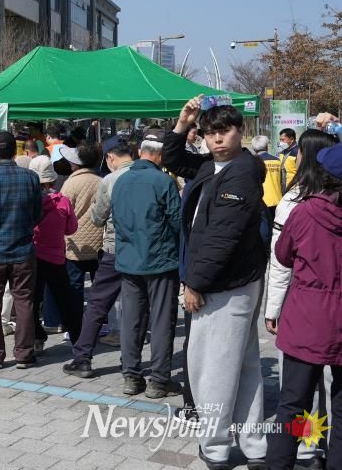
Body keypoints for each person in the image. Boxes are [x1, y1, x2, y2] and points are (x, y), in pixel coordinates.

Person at [163, 97, 268, 470]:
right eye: (210, 133)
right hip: (228, 281)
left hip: (225, 284)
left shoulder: (241, 172)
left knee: (213, 369)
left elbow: (221, 237)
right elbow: (174, 160)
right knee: (243, 365)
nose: (217, 139)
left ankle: (217, 447)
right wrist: (181, 124)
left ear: (241, 131)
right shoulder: (213, 165)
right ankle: (253, 445)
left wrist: (194, 283)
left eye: (224, 131)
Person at [264, 130, 337, 469]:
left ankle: (289, 458)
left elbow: (281, 258)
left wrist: (273, 308)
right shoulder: (301, 206)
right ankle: (320, 454)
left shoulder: (301, 209)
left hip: (305, 317)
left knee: (293, 402)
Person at [111, 129, 182, 398]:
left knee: (131, 320)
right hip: (160, 261)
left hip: (129, 260)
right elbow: (177, 222)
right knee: (162, 321)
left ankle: (131, 376)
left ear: (140, 153)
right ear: (161, 156)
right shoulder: (163, 182)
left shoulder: (120, 181)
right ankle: (159, 381)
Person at [63, 136, 135, 380]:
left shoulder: (110, 180)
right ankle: (132, 366)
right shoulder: (155, 177)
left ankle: (83, 358)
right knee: (138, 306)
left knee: (97, 303)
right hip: (146, 253)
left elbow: (98, 217)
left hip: (113, 249)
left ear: (110, 157)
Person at [0, 131, 42, 369]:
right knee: (24, 299)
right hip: (23, 249)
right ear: (15, 151)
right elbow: (37, 214)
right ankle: (24, 353)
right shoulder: (31, 178)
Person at [27, 156, 81, 354]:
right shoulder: (62, 201)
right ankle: (77, 339)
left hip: (32, 256)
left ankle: (36, 338)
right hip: (56, 257)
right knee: (65, 300)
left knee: (31, 301)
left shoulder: (28, 201)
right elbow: (71, 229)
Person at [59, 145, 103, 308]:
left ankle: (75, 319)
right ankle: (100, 319)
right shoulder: (102, 181)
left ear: (76, 164)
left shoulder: (70, 184)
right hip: (99, 243)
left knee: (75, 286)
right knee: (100, 287)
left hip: (75, 244)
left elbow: (62, 213)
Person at [250, 135, 282, 224]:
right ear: (267, 146)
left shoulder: (253, 161)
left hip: (262, 201)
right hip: (277, 199)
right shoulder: (277, 161)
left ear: (253, 148)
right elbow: (282, 181)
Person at [279, 128, 299, 194]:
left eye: (283, 140)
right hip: (283, 186)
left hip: (294, 187)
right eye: (280, 140)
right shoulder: (282, 151)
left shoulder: (298, 152)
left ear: (292, 139)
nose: (280, 142)